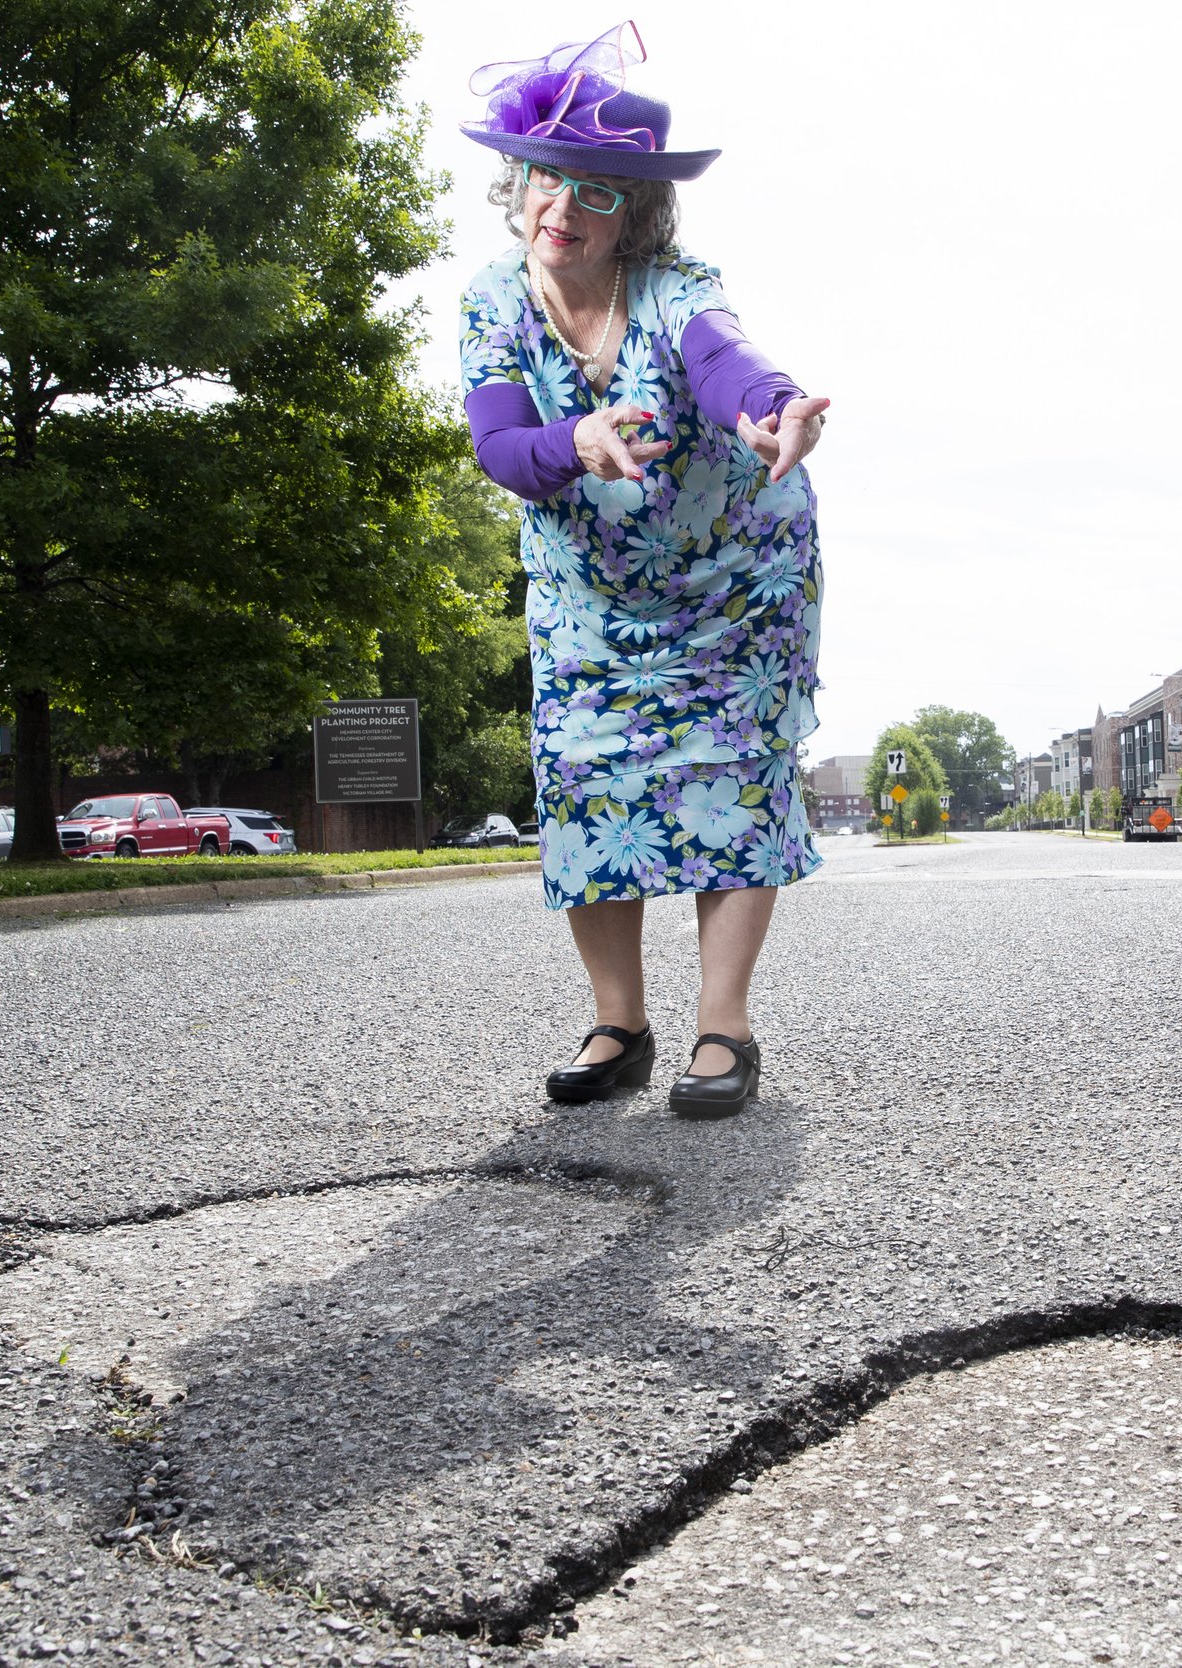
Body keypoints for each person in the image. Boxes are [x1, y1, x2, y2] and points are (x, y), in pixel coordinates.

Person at [455, 23, 829, 1118]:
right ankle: (618, 1022)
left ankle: (725, 1030)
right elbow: (500, 447)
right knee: (584, 780)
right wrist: (572, 442)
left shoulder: (675, 286)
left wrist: (772, 415)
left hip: (731, 580)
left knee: (730, 784)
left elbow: (727, 359)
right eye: (544, 182)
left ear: (638, 211)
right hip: (589, 591)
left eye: (596, 192)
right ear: (518, 183)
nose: (561, 210)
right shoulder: (490, 301)